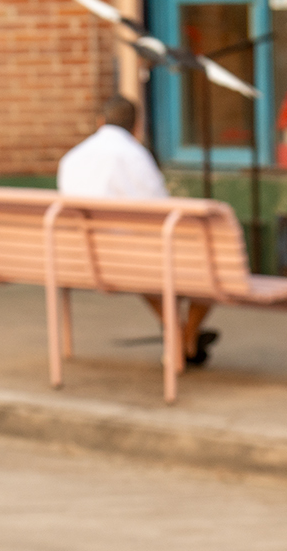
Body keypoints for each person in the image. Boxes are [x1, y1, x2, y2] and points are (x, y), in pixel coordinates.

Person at [55, 98, 217, 367]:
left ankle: (178, 334)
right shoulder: (135, 155)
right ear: (137, 127)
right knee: (208, 263)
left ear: (100, 122)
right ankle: (186, 336)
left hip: (83, 258)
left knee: (145, 267)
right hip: (130, 257)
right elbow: (161, 210)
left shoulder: (71, 159)